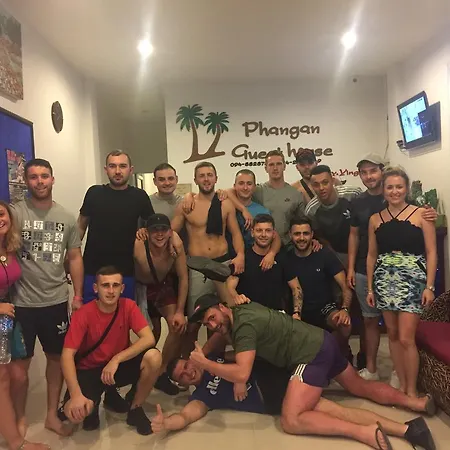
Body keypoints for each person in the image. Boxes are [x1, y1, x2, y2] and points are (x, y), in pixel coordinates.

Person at [188, 293, 436, 450]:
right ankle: (417, 404)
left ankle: (364, 433)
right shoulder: (240, 311)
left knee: (291, 420)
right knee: (360, 386)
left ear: (222, 307)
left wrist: (205, 363)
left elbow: (242, 373)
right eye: (207, 323)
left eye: (212, 317)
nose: (213, 325)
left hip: (309, 355)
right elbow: (229, 343)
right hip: (322, 341)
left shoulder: (244, 327)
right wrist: (203, 355)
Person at [150, 353, 435, 450]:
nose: (188, 372)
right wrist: (167, 423)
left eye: (186, 365)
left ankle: (382, 431)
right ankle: (408, 429)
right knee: (337, 411)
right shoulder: (202, 396)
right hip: (274, 400)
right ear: (182, 384)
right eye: (182, 376)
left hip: (278, 382)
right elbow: (186, 416)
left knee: (325, 413)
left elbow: (247, 356)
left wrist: (235, 374)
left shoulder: (216, 359)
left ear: (191, 360)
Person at [9, 159, 84, 437]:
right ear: (26, 181)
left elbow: (74, 257)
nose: (39, 181)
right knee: (19, 369)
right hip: (20, 304)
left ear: (52, 179)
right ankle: (19, 417)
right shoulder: (15, 214)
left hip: (55, 303)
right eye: (33, 177)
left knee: (57, 360)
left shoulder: (66, 217)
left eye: (44, 176)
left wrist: (78, 296)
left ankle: (52, 415)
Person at [348, 154, 437, 383]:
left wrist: (429, 286)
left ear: (406, 188)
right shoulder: (372, 216)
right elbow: (371, 254)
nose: (394, 191)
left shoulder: (421, 213)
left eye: (399, 187)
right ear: (384, 190)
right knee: (393, 334)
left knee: (407, 338)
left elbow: (431, 252)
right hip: (383, 281)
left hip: (413, 282)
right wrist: (370, 288)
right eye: (390, 187)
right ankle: (397, 381)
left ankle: (410, 387)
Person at [61, 266, 161, 435]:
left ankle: (135, 408)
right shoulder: (83, 314)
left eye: (115, 285)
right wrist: (75, 394)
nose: (111, 291)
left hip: (115, 367)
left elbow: (148, 338)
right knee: (76, 412)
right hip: (90, 369)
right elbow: (67, 355)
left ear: (122, 288)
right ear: (95, 288)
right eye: (105, 285)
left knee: (154, 357)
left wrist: (116, 359)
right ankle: (97, 401)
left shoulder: (128, 306)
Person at [171, 162, 245, 354]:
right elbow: (171, 231)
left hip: (222, 264)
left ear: (216, 178)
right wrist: (176, 241)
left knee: (224, 319)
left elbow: (235, 233)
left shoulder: (225, 203)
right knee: (194, 322)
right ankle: (187, 364)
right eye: (202, 175)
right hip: (198, 268)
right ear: (195, 180)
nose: (206, 179)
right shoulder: (187, 205)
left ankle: (216, 362)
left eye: (209, 175)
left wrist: (240, 255)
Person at [0, 201, 49, 450]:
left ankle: (14, 420)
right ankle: (16, 442)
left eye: (1, 214)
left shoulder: (9, 248)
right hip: (1, 314)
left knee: (18, 375)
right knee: (2, 380)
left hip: (9, 320)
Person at [78, 150, 154, 303]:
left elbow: (153, 228)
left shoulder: (140, 196)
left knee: (123, 316)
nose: (118, 171)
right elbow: (80, 227)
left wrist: (144, 230)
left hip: (125, 271)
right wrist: (70, 257)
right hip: (93, 270)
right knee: (90, 315)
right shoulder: (94, 193)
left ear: (131, 170)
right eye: (112, 166)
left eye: (122, 166)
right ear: (106, 169)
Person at [134, 213, 188, 394]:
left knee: (177, 326)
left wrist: (180, 310)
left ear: (170, 232)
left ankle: (161, 371)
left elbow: (183, 277)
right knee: (151, 334)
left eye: (163, 230)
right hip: (141, 289)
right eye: (154, 230)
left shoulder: (176, 246)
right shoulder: (139, 244)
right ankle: (143, 370)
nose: (159, 234)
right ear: (147, 232)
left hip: (163, 286)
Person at [286, 218, 352, 354]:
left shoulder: (324, 255)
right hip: (296, 311)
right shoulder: (285, 257)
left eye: (305, 233)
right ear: (290, 235)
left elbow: (345, 286)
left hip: (324, 308)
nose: (301, 238)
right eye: (297, 234)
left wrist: (344, 309)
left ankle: (338, 355)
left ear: (312, 234)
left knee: (344, 324)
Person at [226, 214, 302, 312]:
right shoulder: (242, 259)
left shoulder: (282, 258)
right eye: (259, 230)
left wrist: (297, 313)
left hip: (276, 315)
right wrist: (236, 297)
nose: (263, 235)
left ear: (274, 234)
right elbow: (229, 287)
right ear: (252, 233)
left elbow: (296, 288)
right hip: (249, 314)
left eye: (268, 231)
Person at [305, 165, 362, 263]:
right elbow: (320, 237)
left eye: (325, 182)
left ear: (332, 181)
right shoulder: (311, 210)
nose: (321, 188)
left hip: (363, 248)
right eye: (316, 185)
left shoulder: (353, 194)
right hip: (337, 253)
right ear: (311, 186)